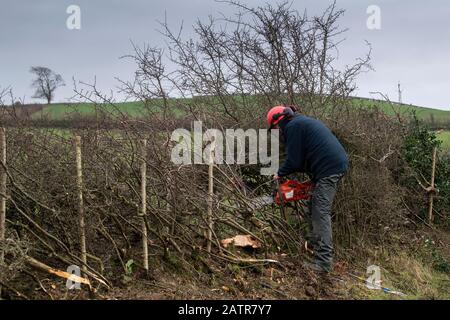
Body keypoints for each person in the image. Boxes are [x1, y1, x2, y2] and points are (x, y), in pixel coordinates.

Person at [267, 105, 349, 273]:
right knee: (311, 207)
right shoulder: (299, 122)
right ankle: (314, 248)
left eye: (275, 128)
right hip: (328, 167)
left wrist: (279, 173)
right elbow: (303, 157)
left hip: (329, 169)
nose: (277, 132)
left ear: (279, 121)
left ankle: (323, 263)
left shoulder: (293, 127)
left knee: (320, 212)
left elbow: (294, 161)